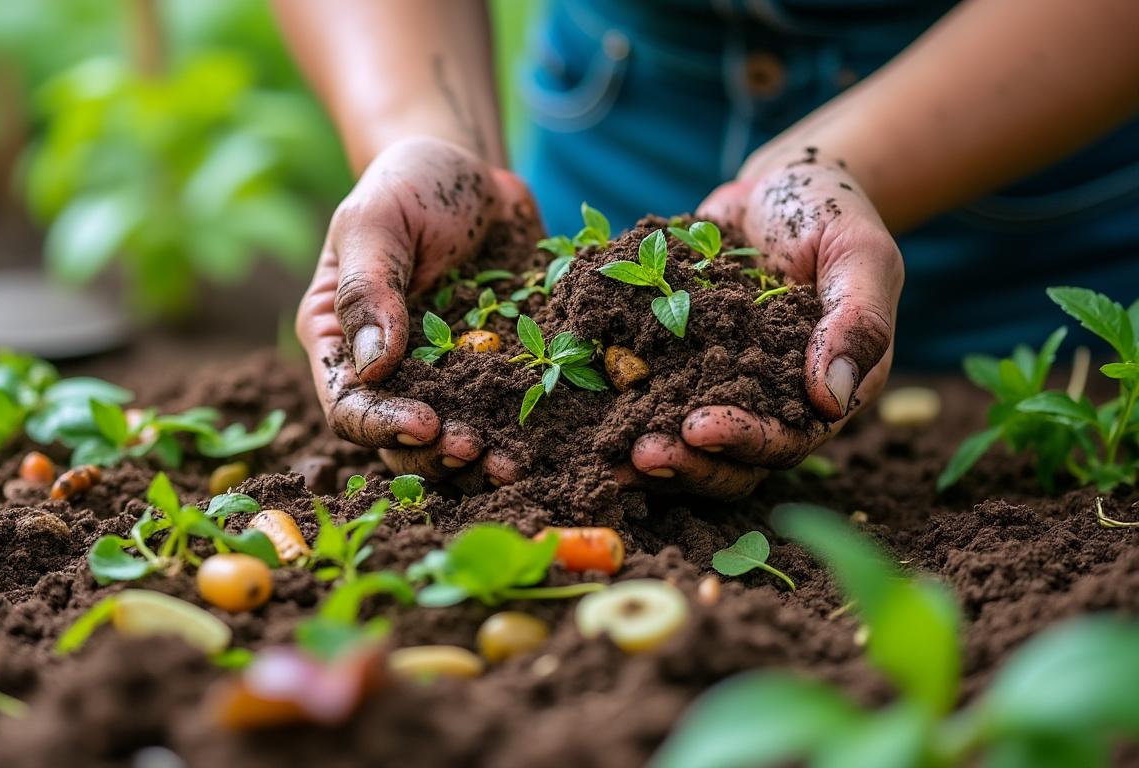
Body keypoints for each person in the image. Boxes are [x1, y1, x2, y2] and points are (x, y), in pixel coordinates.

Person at [274, 0, 1139, 499]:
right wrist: (422, 131)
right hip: (625, 112)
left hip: (1029, 161)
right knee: (588, 323)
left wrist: (841, 165)